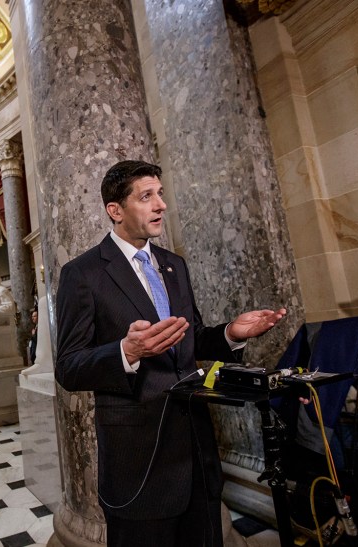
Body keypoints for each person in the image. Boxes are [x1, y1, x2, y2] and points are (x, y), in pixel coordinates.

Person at [55, 160, 286, 547]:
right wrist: (126, 352)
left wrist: (230, 334)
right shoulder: (83, 274)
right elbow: (69, 366)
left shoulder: (174, 265)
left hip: (196, 452)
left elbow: (188, 339)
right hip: (138, 460)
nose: (161, 204)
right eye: (147, 196)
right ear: (116, 210)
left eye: (160, 194)